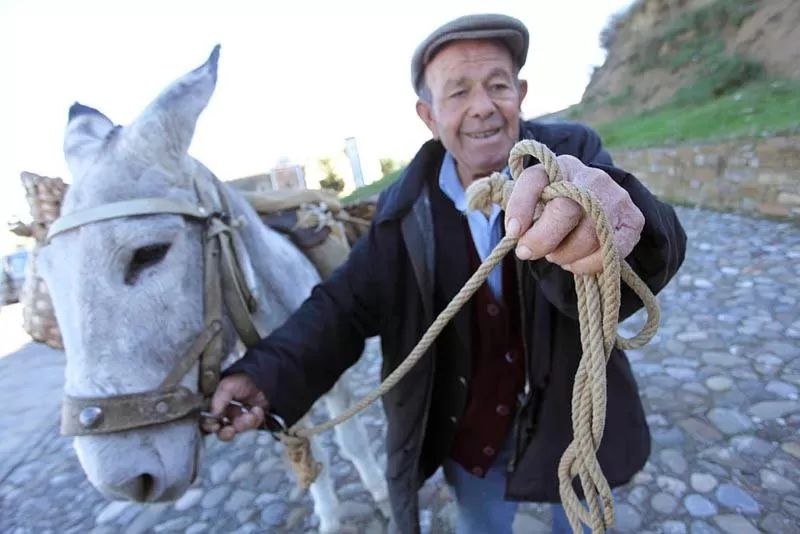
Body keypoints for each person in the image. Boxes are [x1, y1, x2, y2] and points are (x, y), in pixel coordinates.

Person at [203, 13, 687, 534]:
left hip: (573, 432)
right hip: (469, 438)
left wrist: (613, 221)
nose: (482, 106)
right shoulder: (402, 207)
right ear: (428, 115)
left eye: (497, 85)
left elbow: (633, 235)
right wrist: (263, 375)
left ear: (521, 93)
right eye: (457, 93)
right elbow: (342, 308)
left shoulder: (573, 157)